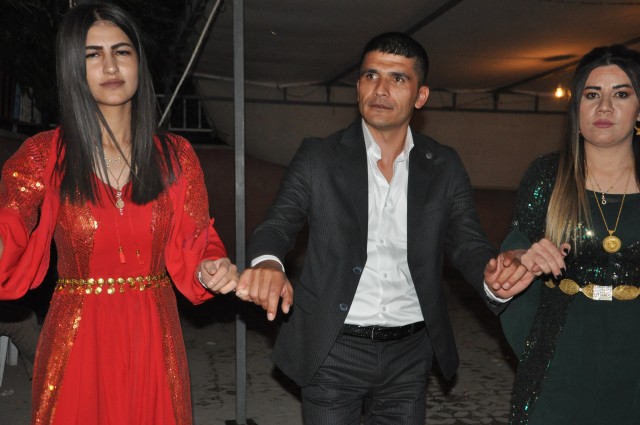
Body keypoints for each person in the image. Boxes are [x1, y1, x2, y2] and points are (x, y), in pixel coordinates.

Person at [236, 32, 531, 424]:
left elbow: (469, 243)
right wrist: (268, 264)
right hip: (332, 347)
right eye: (371, 75)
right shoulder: (319, 157)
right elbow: (277, 224)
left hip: (410, 353)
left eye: (398, 78)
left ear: (420, 96)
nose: (380, 89)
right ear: (358, 85)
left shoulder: (443, 165)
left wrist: (492, 277)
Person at [0, 3, 237, 424]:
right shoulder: (42, 156)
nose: (110, 66)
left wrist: (211, 268)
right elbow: (11, 226)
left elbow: (198, 241)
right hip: (78, 340)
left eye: (122, 51)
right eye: (93, 55)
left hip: (154, 336)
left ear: (138, 61)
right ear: (73, 68)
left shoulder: (176, 156)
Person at [499, 44, 640, 425]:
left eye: (621, 94)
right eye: (592, 95)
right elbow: (513, 255)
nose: (604, 107)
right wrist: (516, 263)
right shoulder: (548, 176)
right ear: (577, 107)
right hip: (560, 355)